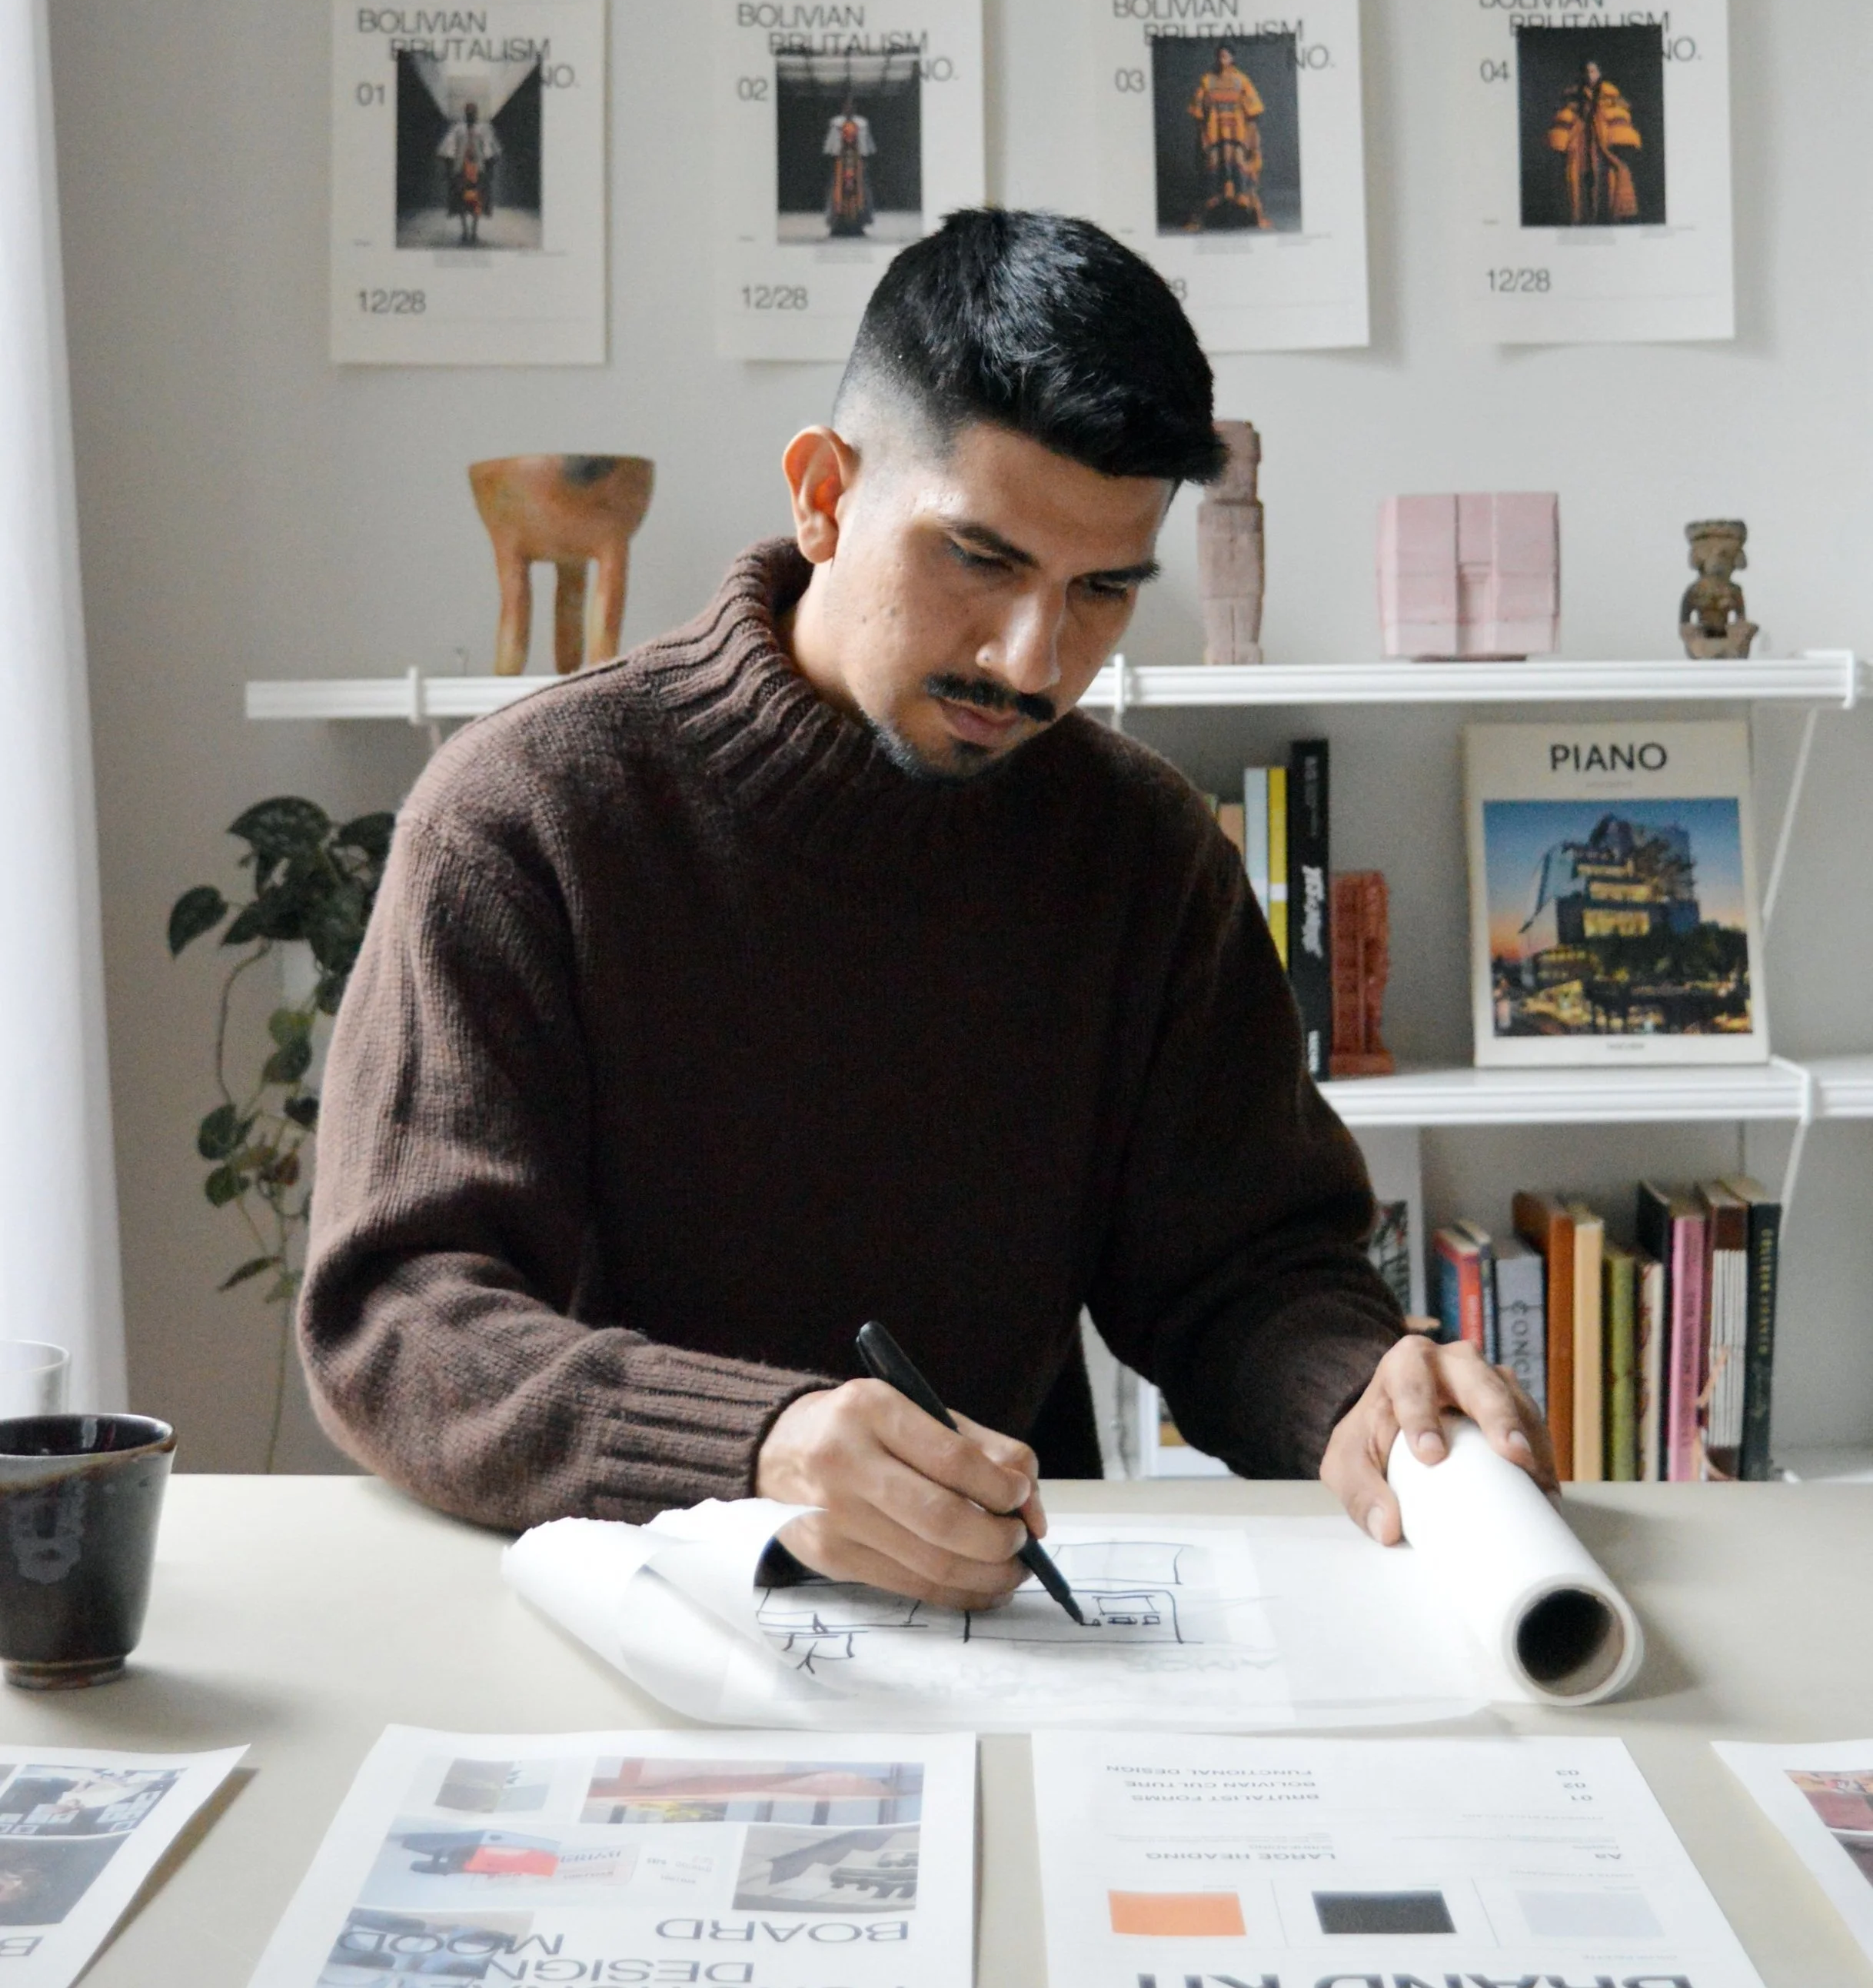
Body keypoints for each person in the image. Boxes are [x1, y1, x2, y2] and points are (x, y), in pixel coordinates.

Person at [301, 210, 1551, 1607]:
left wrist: (1359, 1394)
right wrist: (759, 1443)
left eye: (1101, 590)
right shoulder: (523, 816)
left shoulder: (1144, 851)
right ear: (822, 493)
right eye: (981, 556)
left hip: (1009, 1623)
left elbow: (1239, 1267)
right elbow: (401, 1315)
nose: (1034, 656)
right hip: (612, 1615)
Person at [1545, 58, 1642, 225]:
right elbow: (1563, 122)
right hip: (1580, 147)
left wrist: (1616, 142)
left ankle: (1606, 221)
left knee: (1608, 185)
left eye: (1593, 71)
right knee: (1578, 187)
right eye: (1587, 72)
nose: (1590, 75)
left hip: (1604, 149)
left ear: (1599, 73)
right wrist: (1561, 142)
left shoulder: (1611, 96)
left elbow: (1619, 120)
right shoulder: (1572, 96)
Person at [1184, 44, 1266, 228]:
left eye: (1226, 56)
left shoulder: (1241, 80)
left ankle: (1248, 209)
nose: (1223, 59)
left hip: (1237, 137)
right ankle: (1202, 215)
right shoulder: (1207, 81)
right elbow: (1198, 111)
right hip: (1215, 137)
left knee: (1241, 168)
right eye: (1220, 56)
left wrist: (1251, 139)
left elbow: (1254, 110)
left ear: (1232, 58)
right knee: (1211, 170)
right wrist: (1203, 134)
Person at [437, 98, 501, 246]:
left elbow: (492, 150)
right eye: (468, 112)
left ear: (476, 114)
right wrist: (449, 169)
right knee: (461, 201)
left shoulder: (483, 129)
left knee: (477, 201)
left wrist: (489, 167)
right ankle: (465, 231)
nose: (471, 115)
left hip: (478, 171)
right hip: (461, 170)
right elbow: (447, 149)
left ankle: (474, 232)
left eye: (473, 112)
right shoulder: (457, 129)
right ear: (465, 114)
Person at [823, 98, 876, 235]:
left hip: (857, 164)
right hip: (841, 164)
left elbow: (866, 148)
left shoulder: (862, 123)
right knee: (838, 193)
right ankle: (837, 225)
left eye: (852, 106)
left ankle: (858, 225)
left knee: (860, 193)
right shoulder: (836, 123)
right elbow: (832, 148)